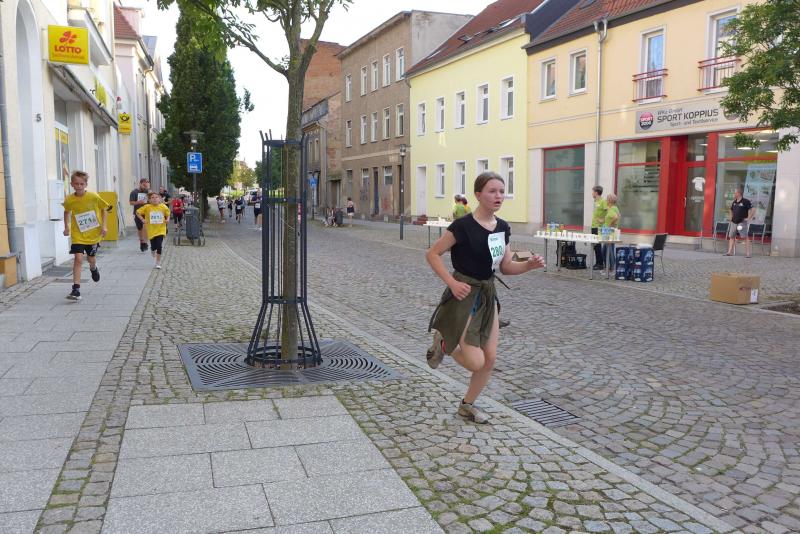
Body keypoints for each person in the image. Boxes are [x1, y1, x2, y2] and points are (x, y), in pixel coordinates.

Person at [425, 172, 545, 424]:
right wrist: (452, 283)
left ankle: (467, 406)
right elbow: (433, 254)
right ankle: (445, 343)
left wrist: (528, 266)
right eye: (492, 191)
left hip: (488, 296)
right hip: (464, 294)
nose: (498, 196)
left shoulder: (502, 227)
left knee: (489, 360)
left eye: (502, 191)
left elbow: (506, 266)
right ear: (478, 194)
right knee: (475, 361)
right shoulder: (462, 226)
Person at [62, 170, 108, 301]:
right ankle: (76, 289)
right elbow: (66, 212)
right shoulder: (69, 199)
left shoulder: (93, 196)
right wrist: (66, 227)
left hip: (93, 234)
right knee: (78, 258)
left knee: (91, 258)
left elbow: (103, 209)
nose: (79, 186)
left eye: (81, 184)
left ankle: (93, 268)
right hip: (78, 234)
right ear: (72, 184)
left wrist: (104, 226)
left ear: (86, 184)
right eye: (76, 184)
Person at [136, 192, 171, 269]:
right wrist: (142, 219)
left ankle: (158, 263)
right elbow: (137, 212)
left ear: (159, 199)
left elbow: (168, 213)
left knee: (159, 245)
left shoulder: (163, 206)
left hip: (161, 229)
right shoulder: (147, 207)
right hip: (151, 230)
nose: (155, 199)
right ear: (149, 200)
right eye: (152, 197)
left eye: (156, 197)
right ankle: (152, 249)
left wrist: (168, 219)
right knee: (154, 246)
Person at [725, 186, 755, 257]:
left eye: (735, 193)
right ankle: (729, 252)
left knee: (745, 237)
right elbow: (731, 210)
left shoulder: (746, 201)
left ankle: (748, 254)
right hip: (734, 222)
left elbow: (753, 209)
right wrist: (731, 218)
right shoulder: (734, 202)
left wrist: (749, 218)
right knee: (731, 237)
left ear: (738, 193)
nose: (734, 194)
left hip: (742, 222)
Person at [129, 178, 151, 252]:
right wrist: (139, 202)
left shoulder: (148, 192)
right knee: (140, 228)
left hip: (147, 213)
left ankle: (145, 242)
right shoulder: (134, 192)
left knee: (146, 227)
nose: (145, 186)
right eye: (144, 185)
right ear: (140, 184)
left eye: (146, 185)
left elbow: (153, 199)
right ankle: (142, 242)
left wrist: (149, 191)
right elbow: (131, 202)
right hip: (137, 212)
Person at [590, 185, 607, 270]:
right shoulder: (596, 201)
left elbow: (609, 212)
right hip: (594, 226)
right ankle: (598, 263)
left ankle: (600, 264)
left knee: (597, 246)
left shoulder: (603, 201)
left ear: (596, 192)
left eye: (593, 191)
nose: (592, 193)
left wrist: (603, 220)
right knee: (595, 246)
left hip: (598, 227)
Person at [603, 193, 620, 270]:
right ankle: (609, 267)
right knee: (608, 249)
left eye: (607, 199)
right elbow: (617, 217)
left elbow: (616, 217)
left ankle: (611, 267)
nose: (606, 200)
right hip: (610, 231)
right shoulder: (614, 208)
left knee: (607, 250)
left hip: (609, 231)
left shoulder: (612, 208)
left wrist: (610, 224)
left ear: (610, 200)